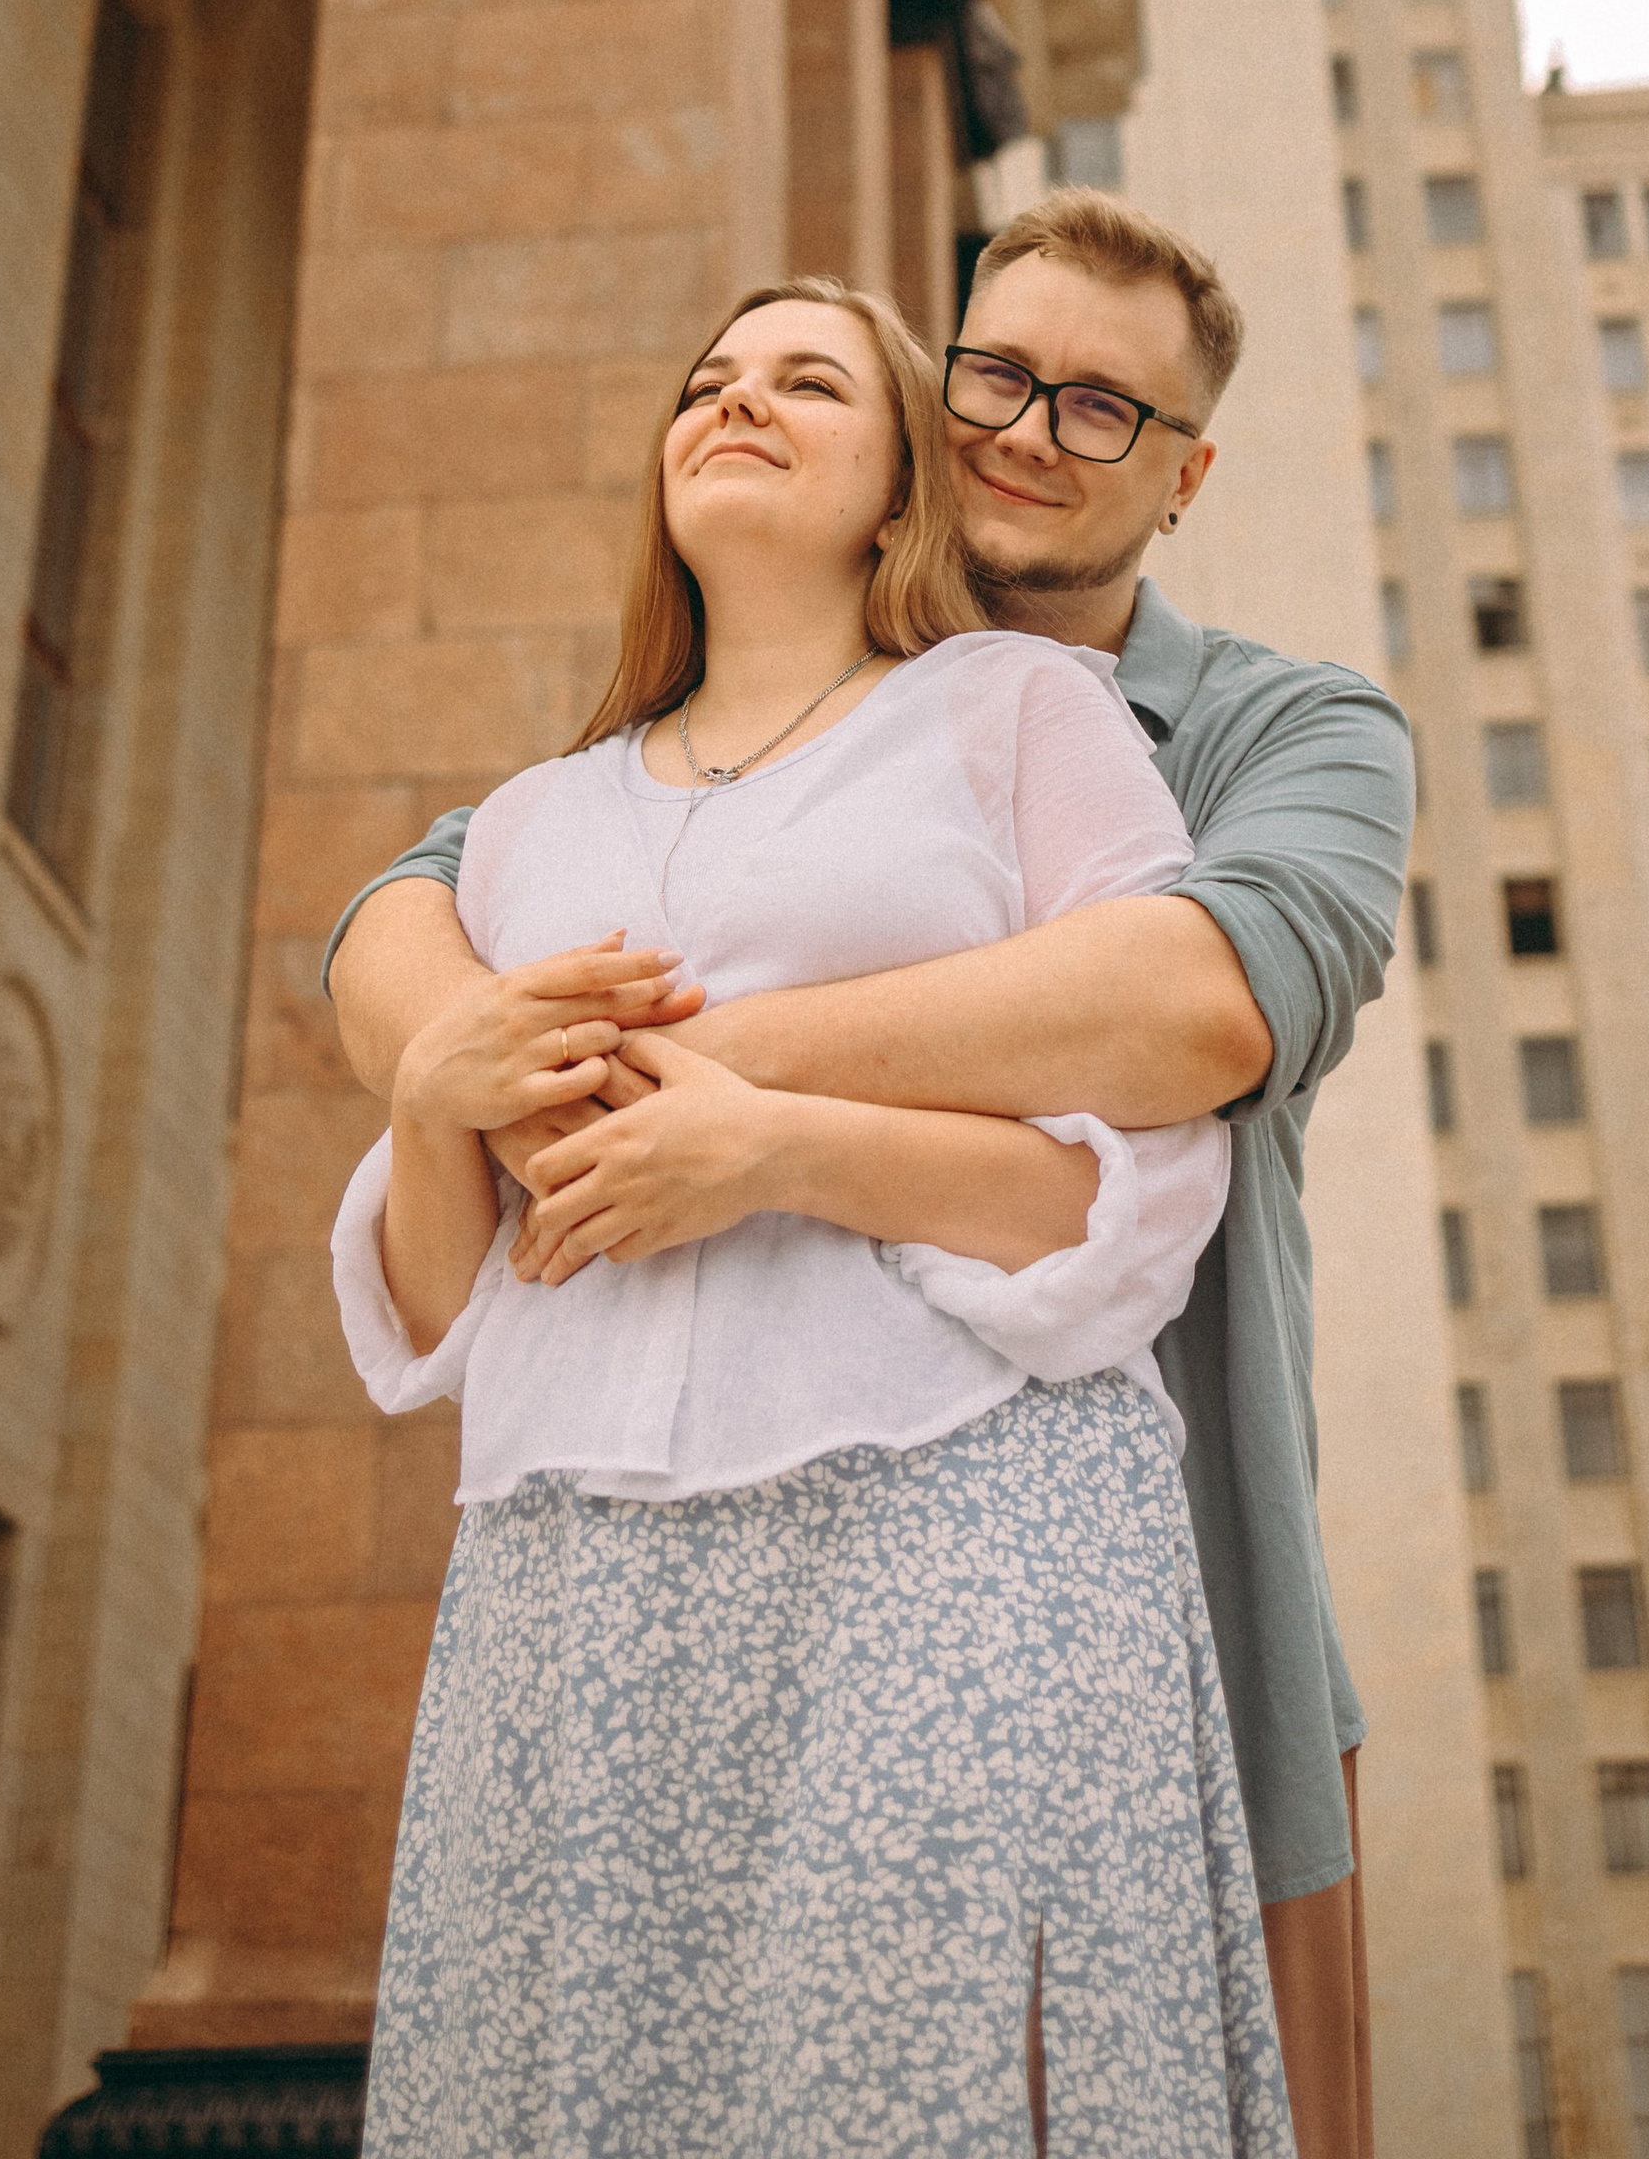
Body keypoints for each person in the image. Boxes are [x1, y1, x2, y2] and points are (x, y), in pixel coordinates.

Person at [330, 191, 1411, 2159]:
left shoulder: (1263, 727)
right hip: (614, 1555)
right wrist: (450, 1083)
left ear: (1183, 475)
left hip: (1116, 1549)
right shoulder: (582, 795)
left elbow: (1186, 1011)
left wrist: (699, 1100)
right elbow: (402, 928)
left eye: (1102, 407)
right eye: (996, 374)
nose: (1029, 432)